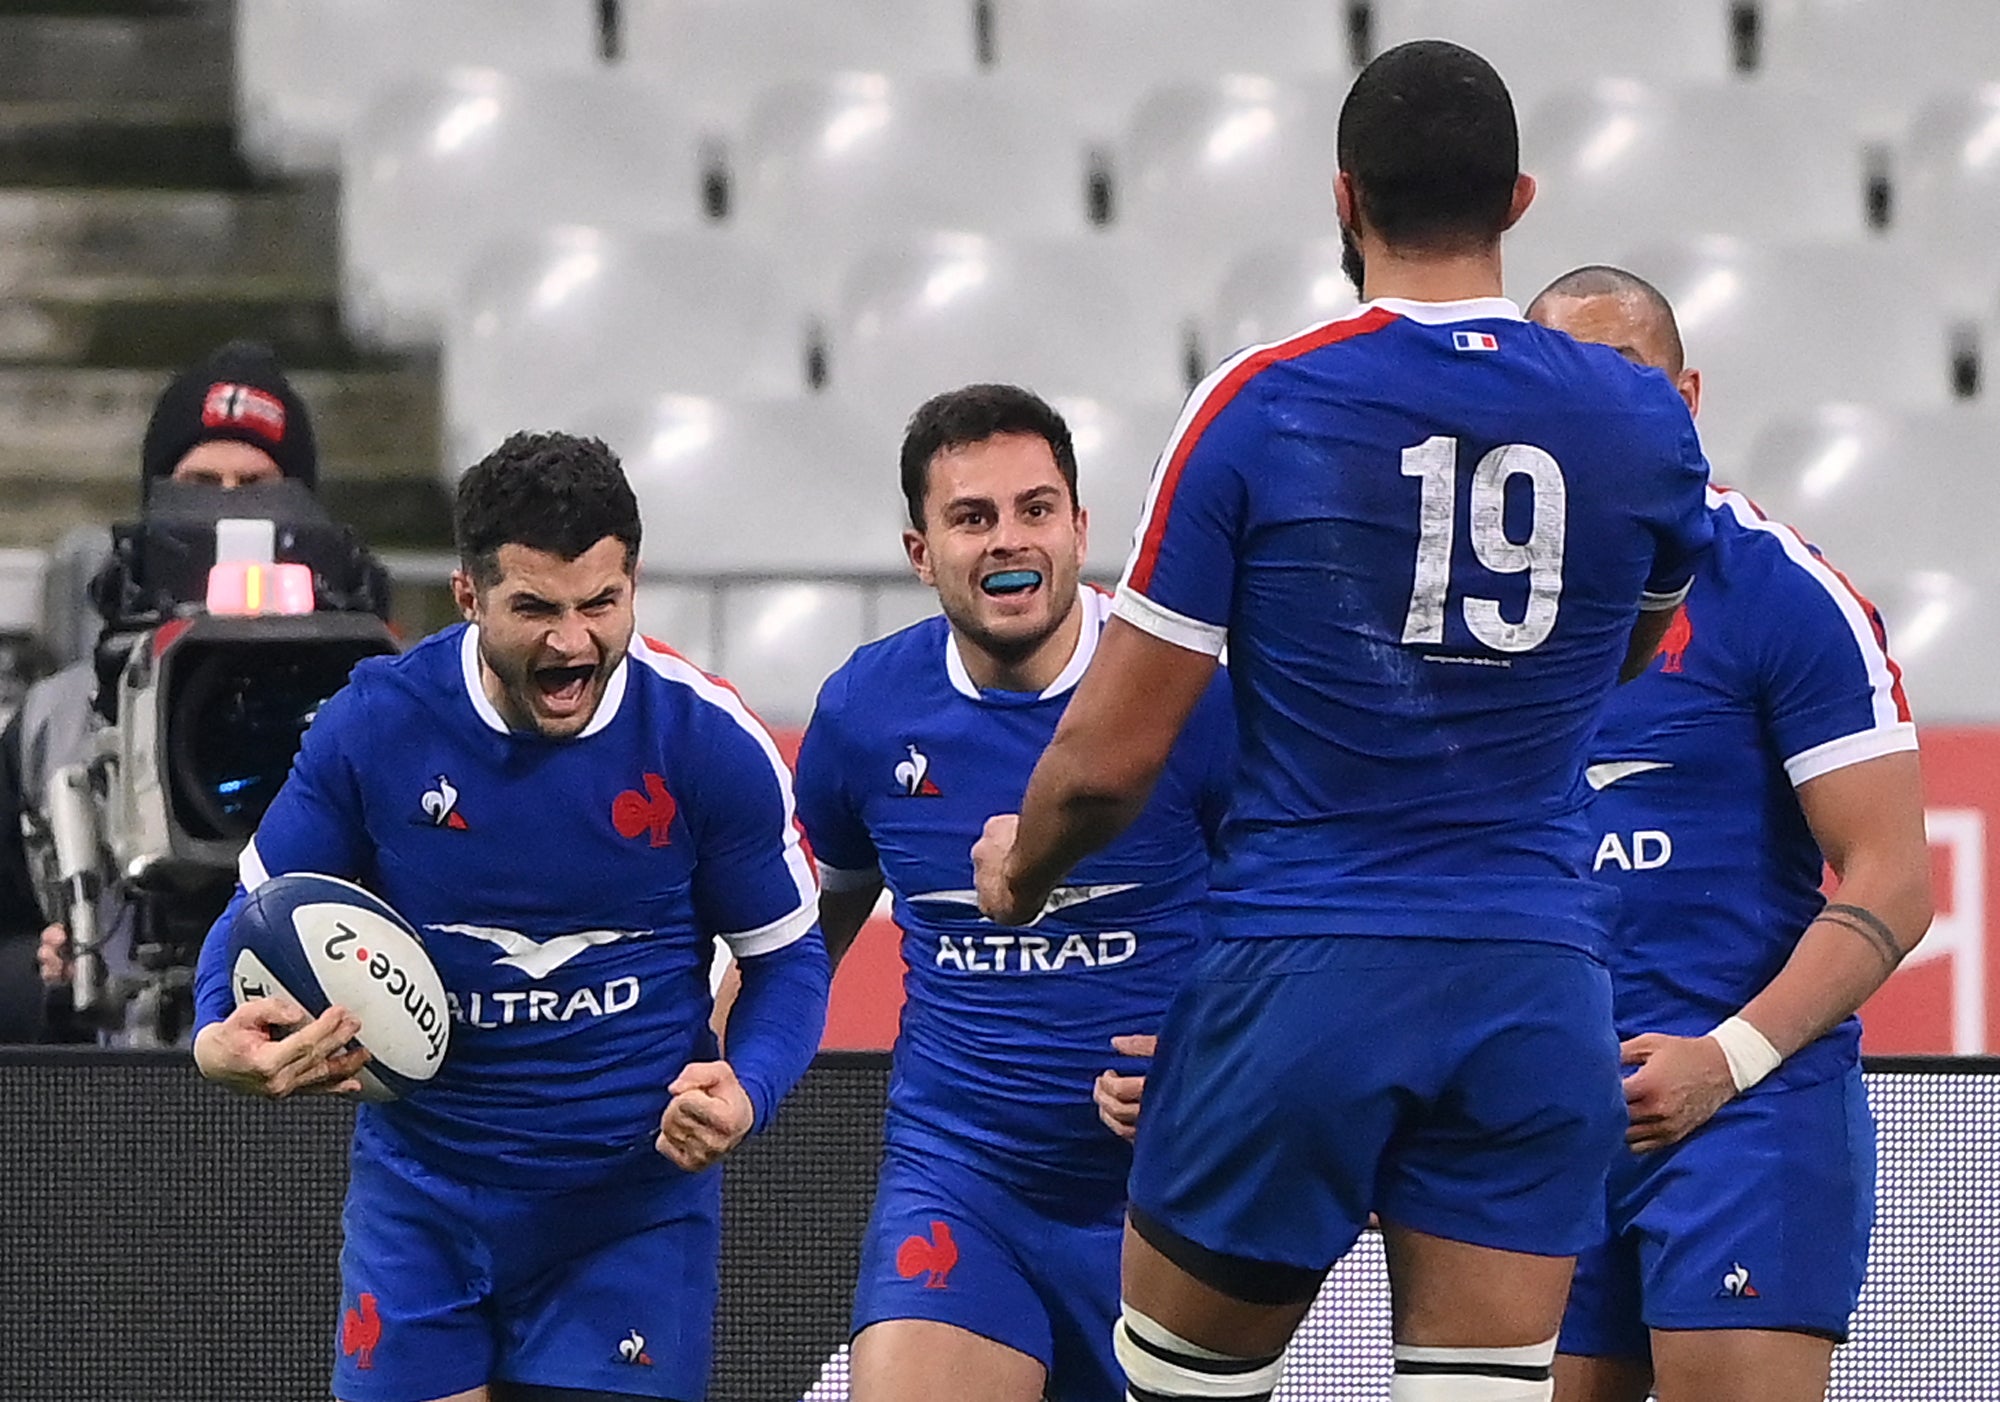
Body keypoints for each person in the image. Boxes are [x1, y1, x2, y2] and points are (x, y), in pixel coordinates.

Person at [971, 40, 1716, 1402]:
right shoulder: (1644, 426)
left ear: (1343, 197)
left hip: (1302, 976)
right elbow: (1630, 648)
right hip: (1532, 980)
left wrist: (1021, 865)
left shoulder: (1263, 405)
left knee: (1186, 1385)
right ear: (1521, 198)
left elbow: (1112, 758)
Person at [189, 430, 831, 1402]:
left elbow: (787, 961)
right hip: (422, 1209)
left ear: (633, 585)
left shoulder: (707, 743)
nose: (571, 642)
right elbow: (255, 916)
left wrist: (749, 1086)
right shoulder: (375, 726)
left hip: (629, 1216)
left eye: (599, 604)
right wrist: (213, 1039)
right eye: (534, 607)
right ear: (468, 596)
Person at [1525, 267, 1932, 1402]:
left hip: (1742, 1124)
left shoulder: (1778, 593)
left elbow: (1894, 881)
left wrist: (1724, 1061)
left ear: (1687, 397)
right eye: (1567, 391)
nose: (1600, 422)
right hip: (1537, 1119)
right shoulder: (1475, 605)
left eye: (1632, 387)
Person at [792, 384, 1235, 1402]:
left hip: (1172, 1193)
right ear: (919, 552)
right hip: (960, 1183)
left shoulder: (1193, 695)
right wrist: (701, 1065)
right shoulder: (865, 712)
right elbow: (801, 937)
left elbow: (1297, 929)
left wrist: (1212, 1064)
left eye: (1035, 509)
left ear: (1079, 529)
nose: (1009, 541)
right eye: (971, 516)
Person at [0, 340, 322, 1043]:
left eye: (260, 486)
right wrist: (43, 971)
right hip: (116, 1082)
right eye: (199, 485)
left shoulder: (368, 700)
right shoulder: (55, 720)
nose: (228, 516)